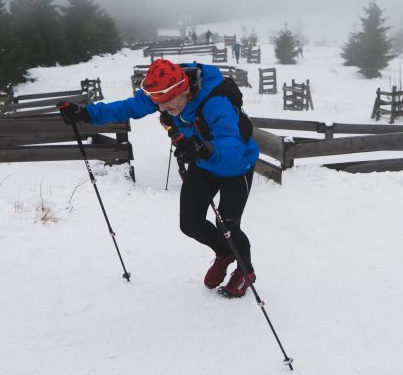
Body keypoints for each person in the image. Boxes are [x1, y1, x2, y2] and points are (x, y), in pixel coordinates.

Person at [56, 59, 261, 298]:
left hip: (236, 166)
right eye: (157, 103)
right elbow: (127, 108)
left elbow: (232, 145)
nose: (161, 108)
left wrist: (205, 149)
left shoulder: (216, 103)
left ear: (185, 89)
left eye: (166, 103)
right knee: (190, 223)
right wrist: (85, 113)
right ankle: (225, 253)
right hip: (203, 163)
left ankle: (246, 272)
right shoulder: (163, 92)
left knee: (227, 225)